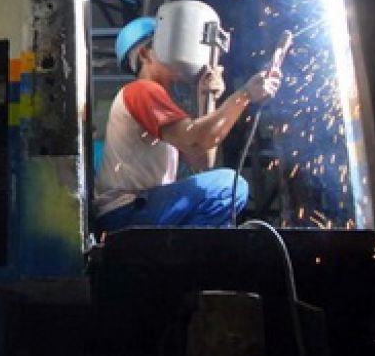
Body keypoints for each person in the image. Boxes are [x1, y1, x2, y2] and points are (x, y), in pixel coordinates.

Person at [93, 16, 281, 234]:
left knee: (224, 185)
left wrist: (205, 98)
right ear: (145, 54)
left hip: (139, 209)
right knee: (229, 185)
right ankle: (189, 253)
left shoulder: (162, 102)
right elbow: (196, 140)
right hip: (126, 212)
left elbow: (202, 160)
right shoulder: (142, 90)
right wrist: (245, 95)